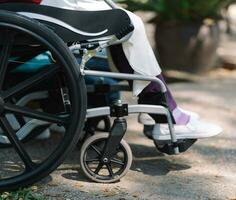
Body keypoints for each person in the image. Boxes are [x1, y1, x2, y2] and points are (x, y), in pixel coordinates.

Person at [16, 0, 223, 140]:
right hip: (29, 6)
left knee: (118, 16)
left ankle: (158, 106)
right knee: (127, 22)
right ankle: (160, 109)